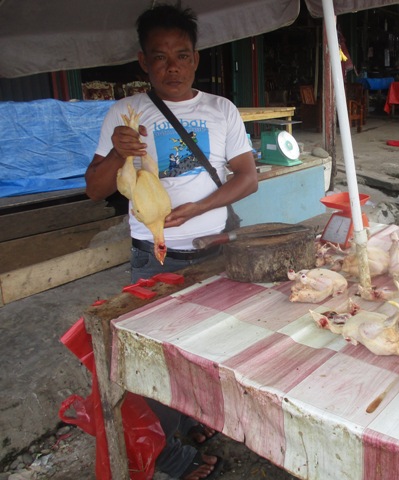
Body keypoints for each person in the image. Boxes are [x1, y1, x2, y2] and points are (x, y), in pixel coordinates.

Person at [85, 4, 258, 479]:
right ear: (143, 62)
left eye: (182, 55)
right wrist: (118, 151)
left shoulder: (221, 110)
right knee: (158, 361)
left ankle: (192, 422)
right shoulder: (125, 114)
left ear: (196, 58)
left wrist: (201, 208)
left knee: (207, 352)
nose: (173, 67)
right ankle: (173, 460)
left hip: (216, 252)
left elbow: (248, 178)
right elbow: (95, 188)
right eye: (160, 57)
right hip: (154, 258)